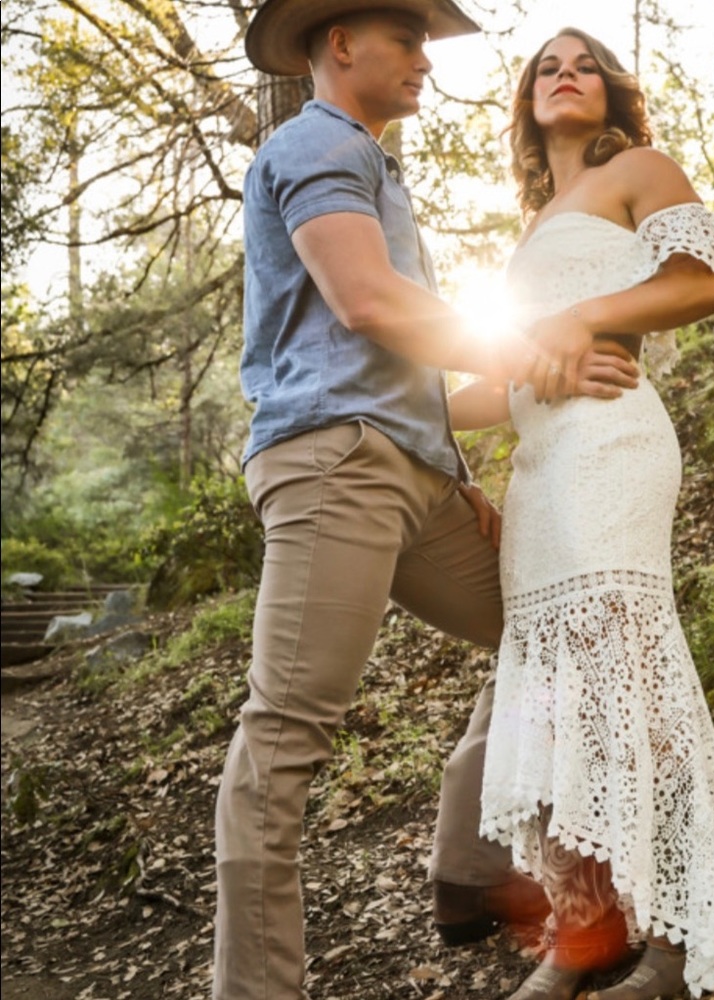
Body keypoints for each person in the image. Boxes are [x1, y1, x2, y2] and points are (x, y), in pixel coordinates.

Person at [216, 4, 640, 998]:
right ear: (341, 45)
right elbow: (368, 302)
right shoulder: (314, 143)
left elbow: (394, 361)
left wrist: (455, 476)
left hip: (410, 473)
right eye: (406, 42)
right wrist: (533, 351)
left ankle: (489, 869)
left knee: (551, 624)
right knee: (281, 739)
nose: (423, 63)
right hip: (336, 469)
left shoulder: (372, 162)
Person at [448, 27, 714, 1000]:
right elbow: (500, 381)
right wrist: (412, 418)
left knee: (626, 684)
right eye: (546, 67)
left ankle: (680, 940)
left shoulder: (638, 169)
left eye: (584, 64)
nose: (566, 75)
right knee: (560, 705)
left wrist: (582, 318)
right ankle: (582, 933)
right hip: (538, 472)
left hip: (609, 447)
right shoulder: (532, 227)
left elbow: (706, 281)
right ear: (525, 101)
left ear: (611, 91)